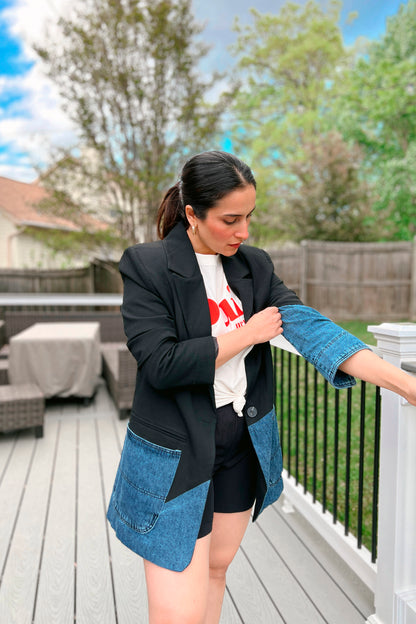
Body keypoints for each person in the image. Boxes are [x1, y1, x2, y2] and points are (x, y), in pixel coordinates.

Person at [107, 150, 416, 624]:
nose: (243, 232)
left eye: (249, 216)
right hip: (176, 453)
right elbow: (160, 362)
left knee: (215, 571)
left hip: (239, 445)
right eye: (230, 219)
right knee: (177, 612)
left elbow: (311, 329)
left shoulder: (253, 266)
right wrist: (247, 333)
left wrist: (404, 384)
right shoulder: (147, 266)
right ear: (192, 214)